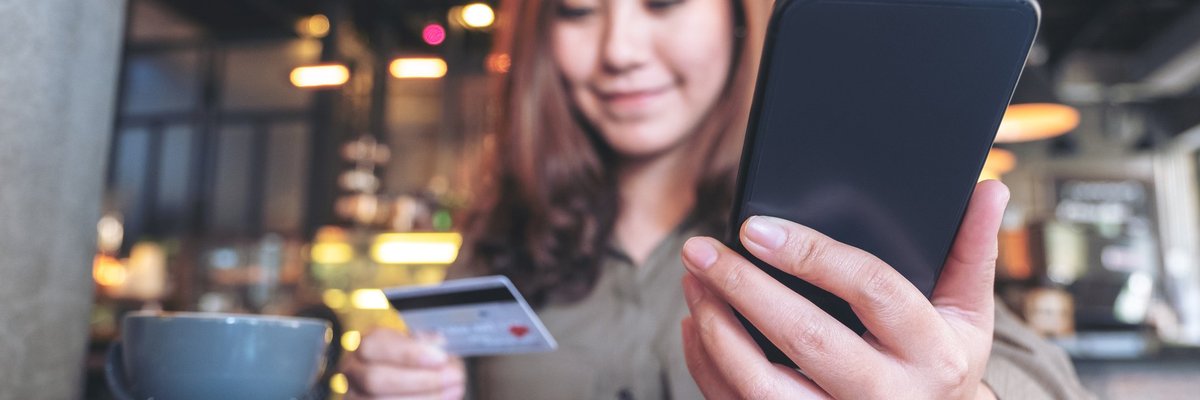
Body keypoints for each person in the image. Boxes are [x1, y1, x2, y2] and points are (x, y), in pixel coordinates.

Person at [340, 0, 1092, 398]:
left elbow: (1037, 380)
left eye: (663, 2)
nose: (619, 49)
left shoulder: (836, 208)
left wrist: (958, 399)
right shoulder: (505, 230)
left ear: (736, 19)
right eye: (576, 10)